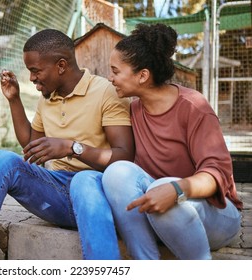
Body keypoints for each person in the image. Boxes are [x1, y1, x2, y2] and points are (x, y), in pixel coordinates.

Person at [0, 28, 134, 260]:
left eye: (35, 70)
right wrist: (14, 99)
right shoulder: (48, 98)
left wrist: (71, 148)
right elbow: (33, 144)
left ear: (61, 66)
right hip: (58, 194)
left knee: (84, 179)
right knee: (0, 159)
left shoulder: (105, 92)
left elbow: (124, 157)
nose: (31, 78)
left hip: (97, 193)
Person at [101, 23, 243, 260]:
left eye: (116, 71)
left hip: (216, 214)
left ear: (143, 75)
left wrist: (176, 190)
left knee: (162, 189)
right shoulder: (134, 109)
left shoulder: (193, 106)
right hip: (162, 208)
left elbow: (216, 174)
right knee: (116, 172)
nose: (110, 78)